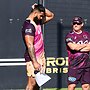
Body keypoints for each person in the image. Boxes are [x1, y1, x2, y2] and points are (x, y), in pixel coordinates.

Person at [22, 3, 54, 90]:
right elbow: (29, 45)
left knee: (37, 83)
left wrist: (41, 8)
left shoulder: (38, 21)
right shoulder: (29, 26)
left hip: (41, 56)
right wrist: (35, 62)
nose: (41, 17)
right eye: (41, 15)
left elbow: (51, 15)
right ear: (35, 13)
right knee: (31, 83)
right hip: (33, 58)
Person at [65, 16, 90, 90]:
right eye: (74, 23)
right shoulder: (69, 35)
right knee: (71, 86)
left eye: (78, 23)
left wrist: (78, 47)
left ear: (82, 24)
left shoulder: (87, 35)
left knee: (86, 86)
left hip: (86, 65)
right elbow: (72, 47)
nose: (76, 25)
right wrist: (85, 45)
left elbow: (89, 48)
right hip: (74, 66)